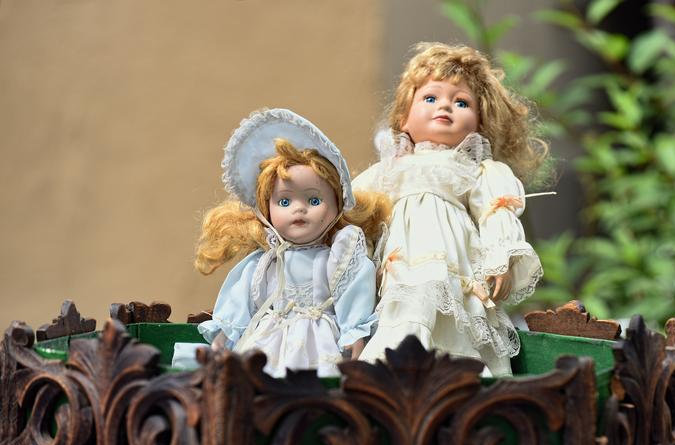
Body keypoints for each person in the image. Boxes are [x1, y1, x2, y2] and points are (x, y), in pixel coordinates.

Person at [354, 43, 550, 376]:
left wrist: (500, 257)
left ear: (479, 124)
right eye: (430, 98)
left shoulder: (476, 169)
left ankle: (463, 375)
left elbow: (495, 211)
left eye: (461, 102)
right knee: (405, 312)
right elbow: (354, 208)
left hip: (456, 261)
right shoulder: (388, 171)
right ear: (403, 117)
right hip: (402, 266)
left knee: (457, 318)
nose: (445, 105)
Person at [192, 108, 390, 377]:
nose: (299, 209)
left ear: (337, 206)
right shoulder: (265, 261)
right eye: (284, 201)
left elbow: (352, 297)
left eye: (314, 200)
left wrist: (354, 339)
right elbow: (241, 304)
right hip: (266, 340)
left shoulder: (338, 256)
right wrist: (223, 339)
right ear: (267, 209)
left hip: (318, 342)